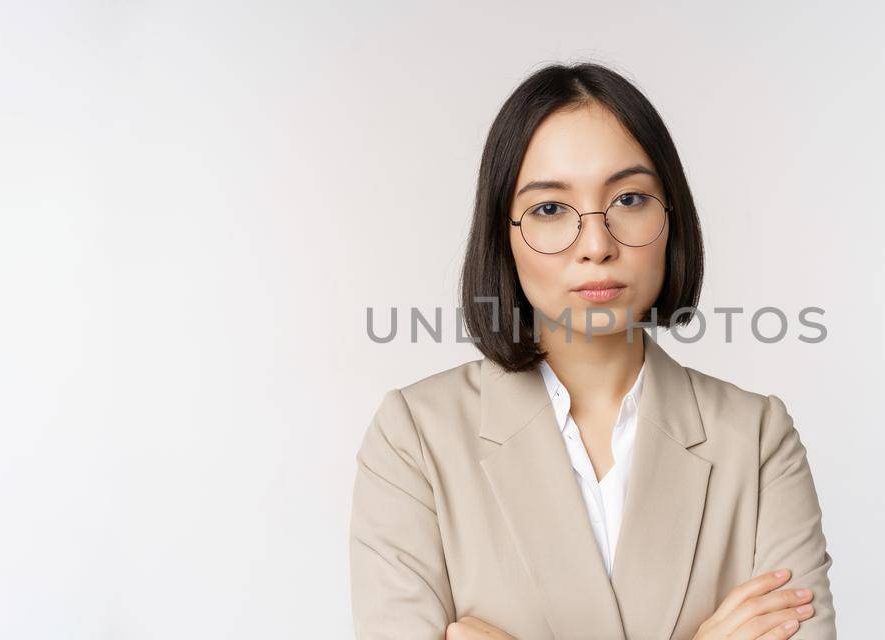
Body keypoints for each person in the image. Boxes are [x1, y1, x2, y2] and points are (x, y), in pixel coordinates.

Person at [350, 62, 835, 639]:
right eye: (550, 209)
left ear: (671, 215)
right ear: (502, 234)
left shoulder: (756, 438)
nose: (597, 244)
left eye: (630, 198)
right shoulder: (415, 438)